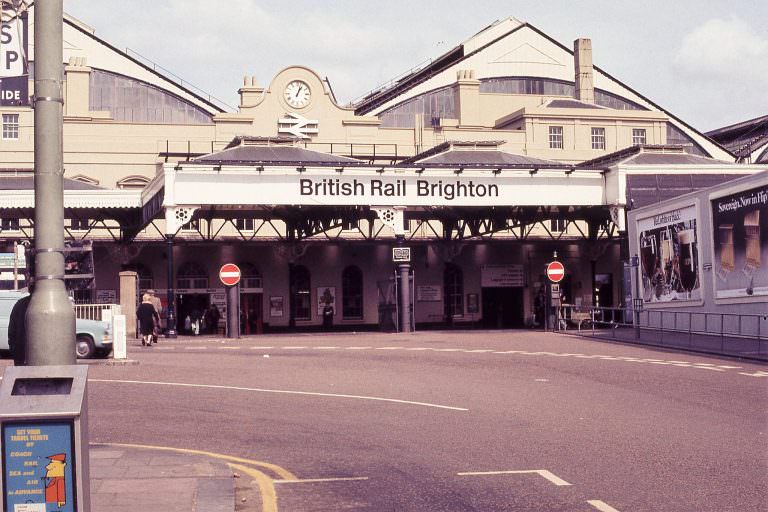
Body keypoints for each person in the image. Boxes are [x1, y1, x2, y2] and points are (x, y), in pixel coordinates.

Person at [8, 291, 31, 366]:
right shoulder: (20, 304)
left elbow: (11, 333)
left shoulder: (20, 304)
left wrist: (15, 352)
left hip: (21, 358)